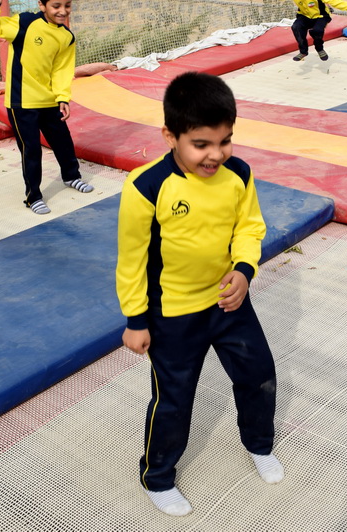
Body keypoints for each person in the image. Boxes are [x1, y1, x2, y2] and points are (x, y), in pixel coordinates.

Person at [117, 72, 282, 517]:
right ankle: (157, 477)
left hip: (229, 305)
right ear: (171, 136)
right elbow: (131, 260)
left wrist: (245, 270)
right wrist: (135, 320)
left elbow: (249, 227)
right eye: (202, 144)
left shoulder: (239, 174)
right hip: (173, 315)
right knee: (174, 400)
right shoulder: (145, 187)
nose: (216, 154)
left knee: (259, 375)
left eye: (225, 141)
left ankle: (259, 444)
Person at [0, 0, 94, 215]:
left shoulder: (66, 37)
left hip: (49, 101)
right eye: (56, 6)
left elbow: (62, 71)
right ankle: (32, 196)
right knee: (31, 149)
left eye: (67, 5)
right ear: (42, 5)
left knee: (63, 141)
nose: (63, 11)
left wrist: (62, 97)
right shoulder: (24, 23)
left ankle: (71, 177)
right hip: (21, 102)